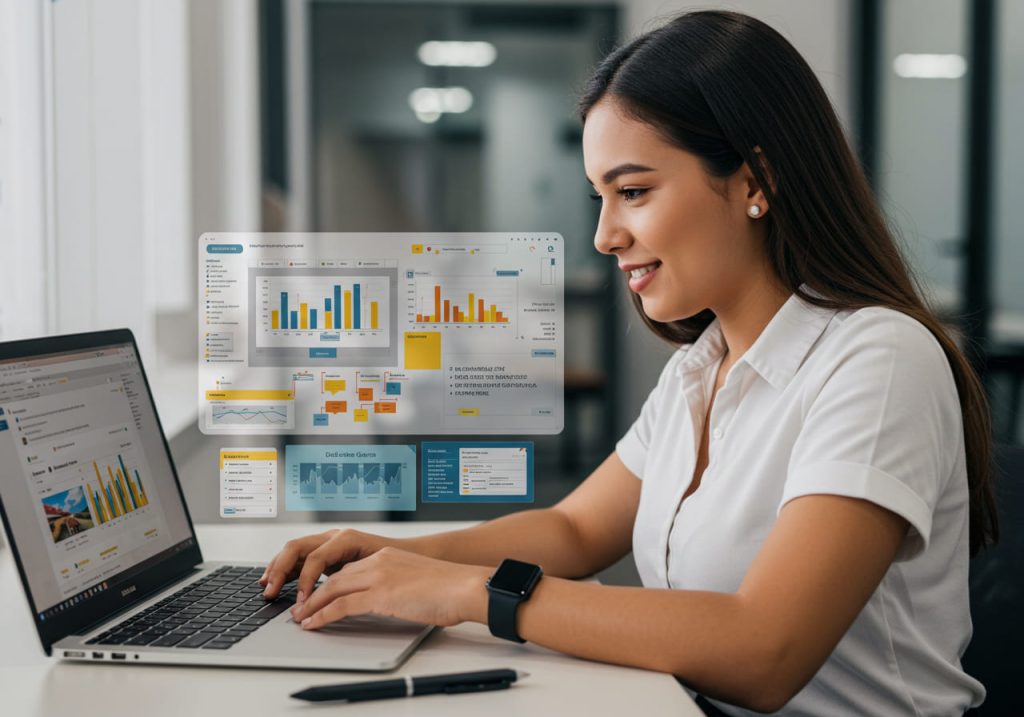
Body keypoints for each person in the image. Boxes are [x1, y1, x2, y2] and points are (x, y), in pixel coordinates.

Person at [260, 10, 997, 714]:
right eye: (600, 198)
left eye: (634, 192)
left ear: (754, 181)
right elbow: (575, 531)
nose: (606, 235)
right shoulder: (701, 368)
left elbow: (764, 651)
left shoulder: (879, 359)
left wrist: (468, 592)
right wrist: (392, 554)